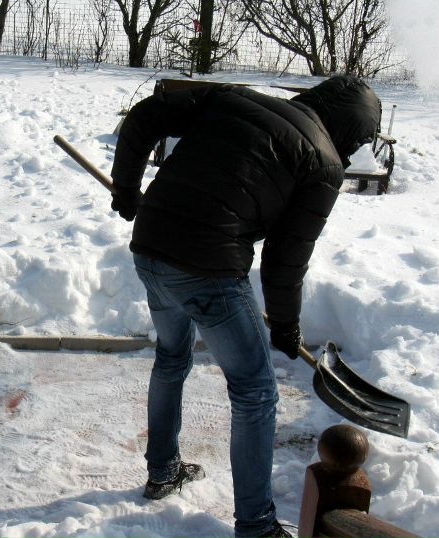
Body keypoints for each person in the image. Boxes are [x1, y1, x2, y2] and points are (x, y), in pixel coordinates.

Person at [109, 75, 381, 538]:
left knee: (171, 358)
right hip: (207, 267)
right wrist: (287, 327)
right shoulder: (324, 162)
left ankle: (162, 472)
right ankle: (256, 527)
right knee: (256, 392)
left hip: (151, 247)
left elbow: (144, 116)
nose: (353, 152)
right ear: (348, 128)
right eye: (356, 140)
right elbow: (284, 260)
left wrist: (127, 188)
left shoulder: (234, 99)